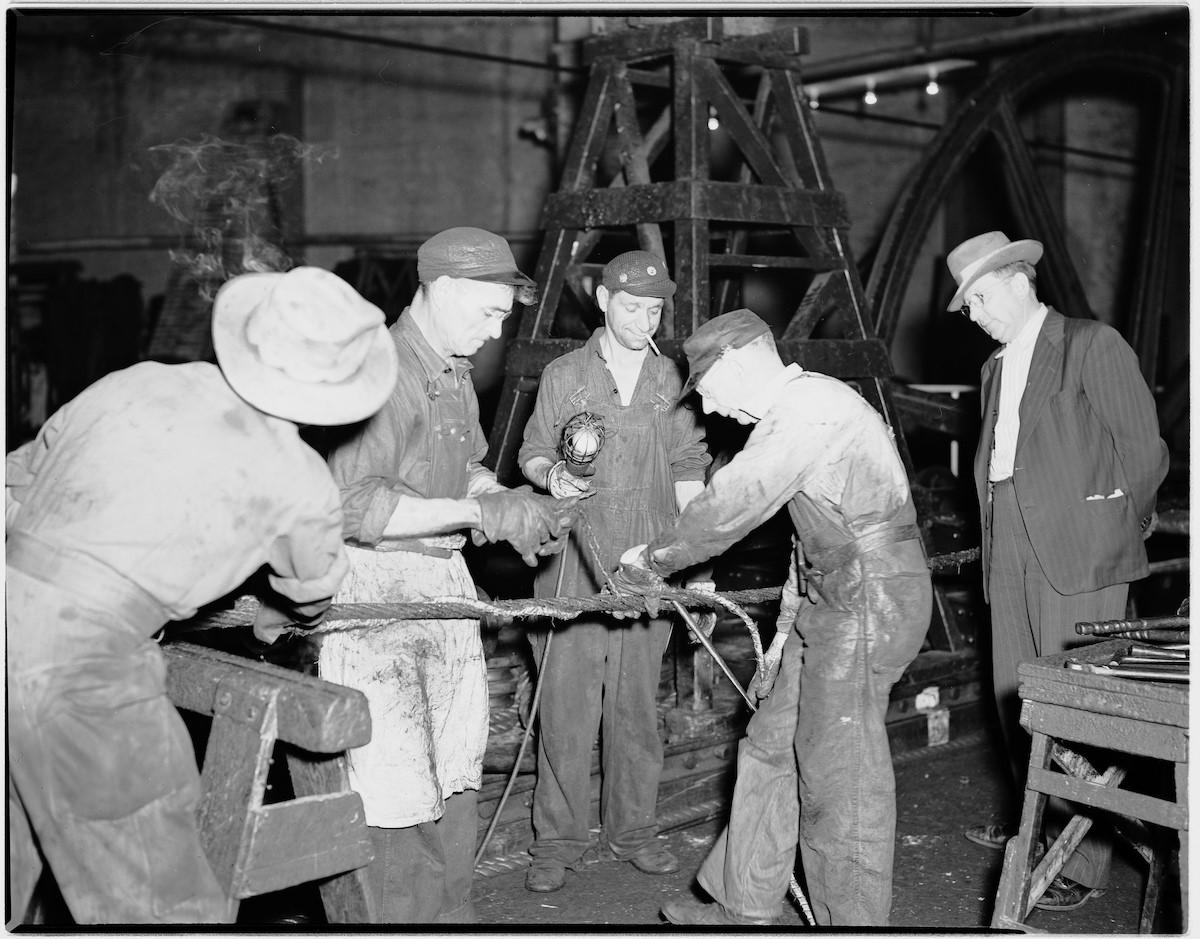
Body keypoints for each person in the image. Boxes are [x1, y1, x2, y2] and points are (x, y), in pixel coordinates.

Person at [6, 266, 399, 925]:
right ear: (338, 391)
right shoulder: (300, 483)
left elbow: (13, 485)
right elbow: (309, 600)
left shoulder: (137, 381)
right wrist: (270, 609)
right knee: (161, 898)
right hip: (83, 669)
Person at [612, 308, 932, 927]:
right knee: (767, 745)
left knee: (838, 771)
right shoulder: (798, 415)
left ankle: (856, 923)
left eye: (706, 391)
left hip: (870, 597)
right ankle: (744, 900)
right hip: (836, 593)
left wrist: (650, 562)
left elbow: (735, 503)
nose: (711, 411)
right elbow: (808, 545)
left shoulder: (809, 407)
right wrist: (783, 637)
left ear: (736, 361)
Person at [319, 226, 577, 923]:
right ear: (446, 288)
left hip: (442, 586)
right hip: (379, 594)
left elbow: (464, 465)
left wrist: (497, 496)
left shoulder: (454, 372)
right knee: (395, 792)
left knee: (456, 775)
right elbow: (354, 505)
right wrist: (477, 511)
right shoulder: (384, 372)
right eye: (490, 313)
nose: (496, 333)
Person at [946, 231, 1168, 911]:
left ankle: (1082, 857)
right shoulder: (992, 370)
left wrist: (1110, 530)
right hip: (1007, 537)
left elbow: (1144, 452)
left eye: (981, 297)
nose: (976, 314)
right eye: (969, 305)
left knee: (1079, 706)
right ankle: (1036, 819)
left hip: (1080, 545)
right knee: (1018, 689)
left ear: (1020, 280)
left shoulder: (1090, 346)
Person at [517, 250, 711, 893]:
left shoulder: (671, 378)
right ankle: (558, 844)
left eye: (655, 308)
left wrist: (696, 556)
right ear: (602, 301)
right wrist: (553, 475)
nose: (643, 318)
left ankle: (634, 832)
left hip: (647, 562)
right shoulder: (564, 373)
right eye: (631, 306)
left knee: (636, 711)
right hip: (573, 559)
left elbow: (689, 466)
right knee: (566, 709)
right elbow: (533, 451)